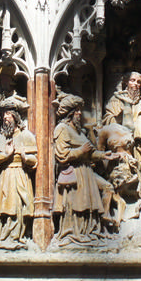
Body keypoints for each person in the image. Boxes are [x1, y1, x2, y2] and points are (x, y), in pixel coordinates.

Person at [53, 94, 110, 245]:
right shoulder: (62, 129)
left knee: (88, 205)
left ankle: (89, 232)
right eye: (77, 110)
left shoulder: (80, 132)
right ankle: (73, 233)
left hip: (86, 172)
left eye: (80, 110)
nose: (79, 113)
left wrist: (105, 155)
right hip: (74, 172)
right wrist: (80, 151)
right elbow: (61, 155)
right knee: (76, 204)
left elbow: (90, 153)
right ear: (69, 113)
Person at [0, 97, 37, 248]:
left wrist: (26, 157)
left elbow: (36, 160)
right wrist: (4, 156)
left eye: (9, 115)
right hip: (3, 175)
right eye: (4, 116)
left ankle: (13, 237)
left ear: (16, 117)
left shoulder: (26, 136)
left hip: (18, 174)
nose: (6, 118)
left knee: (16, 206)